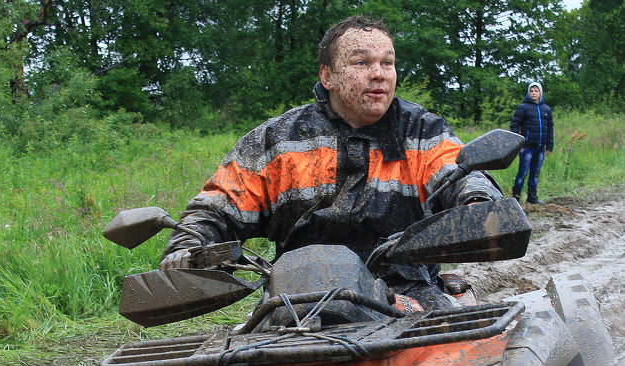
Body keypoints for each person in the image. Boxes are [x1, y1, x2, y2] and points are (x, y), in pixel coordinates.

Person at [159, 15, 500, 310]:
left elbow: (459, 172)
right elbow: (220, 205)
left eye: (387, 62)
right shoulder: (278, 140)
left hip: (407, 289)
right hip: (299, 298)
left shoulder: (422, 131)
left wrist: (478, 202)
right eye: (361, 63)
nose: (379, 74)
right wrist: (189, 245)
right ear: (328, 76)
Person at [509, 81, 554, 205]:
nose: (534, 93)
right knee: (522, 173)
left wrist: (549, 145)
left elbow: (550, 128)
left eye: (536, 91)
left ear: (540, 93)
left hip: (540, 147)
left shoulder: (546, 109)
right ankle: (516, 198)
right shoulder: (523, 108)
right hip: (526, 147)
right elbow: (514, 125)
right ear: (529, 93)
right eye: (532, 91)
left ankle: (532, 198)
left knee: (535, 174)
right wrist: (518, 142)